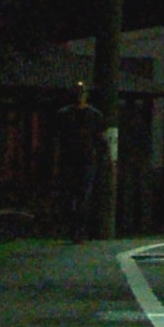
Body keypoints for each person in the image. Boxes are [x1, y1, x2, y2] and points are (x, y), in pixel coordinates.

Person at [53, 79, 105, 243]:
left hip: (87, 160)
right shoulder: (63, 114)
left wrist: (104, 158)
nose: (79, 96)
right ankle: (74, 229)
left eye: (81, 93)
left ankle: (79, 230)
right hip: (69, 159)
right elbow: (57, 139)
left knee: (83, 197)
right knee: (70, 196)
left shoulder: (94, 115)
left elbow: (100, 139)